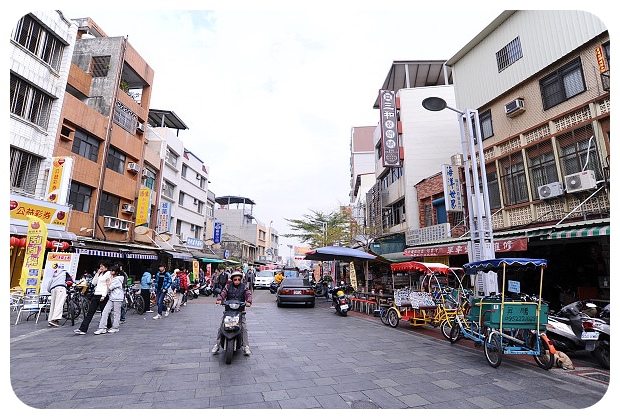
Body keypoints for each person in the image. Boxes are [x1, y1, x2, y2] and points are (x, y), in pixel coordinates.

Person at [212, 271, 253, 356]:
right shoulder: (227, 287)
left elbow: (248, 294)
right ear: (232, 280)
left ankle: (246, 346)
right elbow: (222, 293)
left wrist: (248, 301)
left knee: (244, 328)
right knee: (221, 327)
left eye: (239, 279)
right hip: (228, 312)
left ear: (241, 279)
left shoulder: (244, 287)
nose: (237, 281)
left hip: (240, 312)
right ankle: (217, 345)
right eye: (235, 279)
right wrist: (220, 299)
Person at [75, 260, 113, 335]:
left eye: (102, 266)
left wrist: (104, 295)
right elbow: (93, 283)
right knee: (90, 312)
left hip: (103, 295)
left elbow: (107, 285)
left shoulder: (109, 274)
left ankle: (108, 325)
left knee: (104, 312)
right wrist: (97, 273)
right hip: (96, 294)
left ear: (106, 267)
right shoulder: (100, 274)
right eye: (100, 266)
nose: (101, 267)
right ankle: (83, 329)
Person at [94, 265, 124, 334]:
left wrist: (107, 283)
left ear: (116, 272)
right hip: (111, 298)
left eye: (112, 271)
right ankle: (102, 327)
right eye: (110, 270)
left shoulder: (118, 279)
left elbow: (110, 288)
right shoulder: (113, 278)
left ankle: (115, 327)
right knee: (105, 311)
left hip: (117, 298)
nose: (111, 272)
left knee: (116, 313)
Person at [47, 263, 70, 328]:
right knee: (59, 304)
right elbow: (70, 281)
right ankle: (55, 320)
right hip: (60, 288)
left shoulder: (54, 275)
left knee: (53, 305)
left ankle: (50, 320)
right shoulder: (65, 273)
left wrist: (50, 290)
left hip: (52, 289)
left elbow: (49, 284)